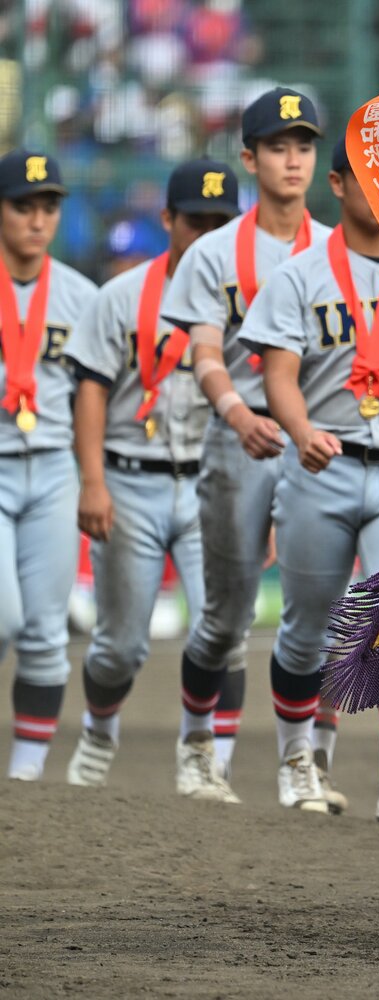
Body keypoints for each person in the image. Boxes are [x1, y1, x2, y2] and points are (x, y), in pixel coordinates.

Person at [240, 136, 379, 826]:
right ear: (336, 184)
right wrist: (300, 432)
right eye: (372, 176)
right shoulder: (299, 276)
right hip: (319, 468)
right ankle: (298, 759)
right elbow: (278, 376)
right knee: (307, 627)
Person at [160, 87, 333, 803]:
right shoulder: (213, 252)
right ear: (249, 158)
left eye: (304, 146)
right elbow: (204, 353)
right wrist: (236, 415)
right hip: (241, 438)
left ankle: (300, 762)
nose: (293, 159)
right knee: (227, 615)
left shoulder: (334, 249)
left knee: (315, 610)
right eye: (277, 146)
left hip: (313, 438)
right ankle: (197, 744)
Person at [61, 159, 238, 795]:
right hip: (131, 479)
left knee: (223, 630)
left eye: (220, 223)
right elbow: (91, 390)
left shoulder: (247, 298)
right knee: (120, 648)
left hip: (212, 483)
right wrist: (92, 482)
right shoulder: (121, 296)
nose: (207, 234)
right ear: (168, 220)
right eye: (195, 221)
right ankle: (99, 729)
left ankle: (200, 751)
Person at [0, 150, 99, 781]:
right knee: (3, 617)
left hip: (54, 469)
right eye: (22, 206)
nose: (38, 220)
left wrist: (94, 479)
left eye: (49, 207)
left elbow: (95, 396)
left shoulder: (81, 296)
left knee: (43, 632)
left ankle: (26, 779)